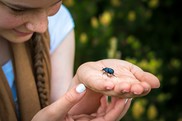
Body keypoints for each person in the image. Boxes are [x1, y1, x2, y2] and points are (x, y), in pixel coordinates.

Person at [0, 0, 160, 121]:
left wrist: (82, 101)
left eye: (55, 3)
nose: (42, 27)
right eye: (17, 9)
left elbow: (60, 106)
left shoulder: (58, 24)